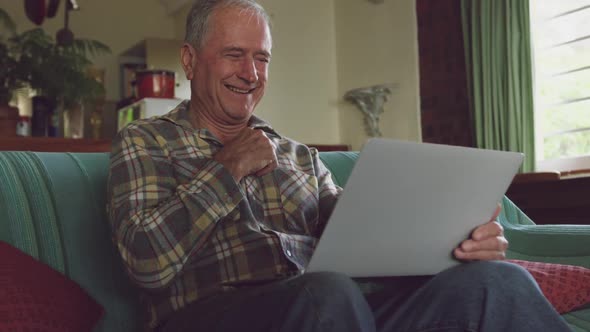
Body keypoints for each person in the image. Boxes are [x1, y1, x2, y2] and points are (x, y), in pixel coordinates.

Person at [107, 1, 572, 331]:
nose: (250, 73)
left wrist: (456, 242)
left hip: (336, 310)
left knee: (497, 281)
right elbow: (147, 263)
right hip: (210, 315)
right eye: (234, 55)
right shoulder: (147, 141)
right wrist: (226, 169)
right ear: (190, 59)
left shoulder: (300, 157)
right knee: (325, 292)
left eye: (261, 58)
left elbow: (362, 237)